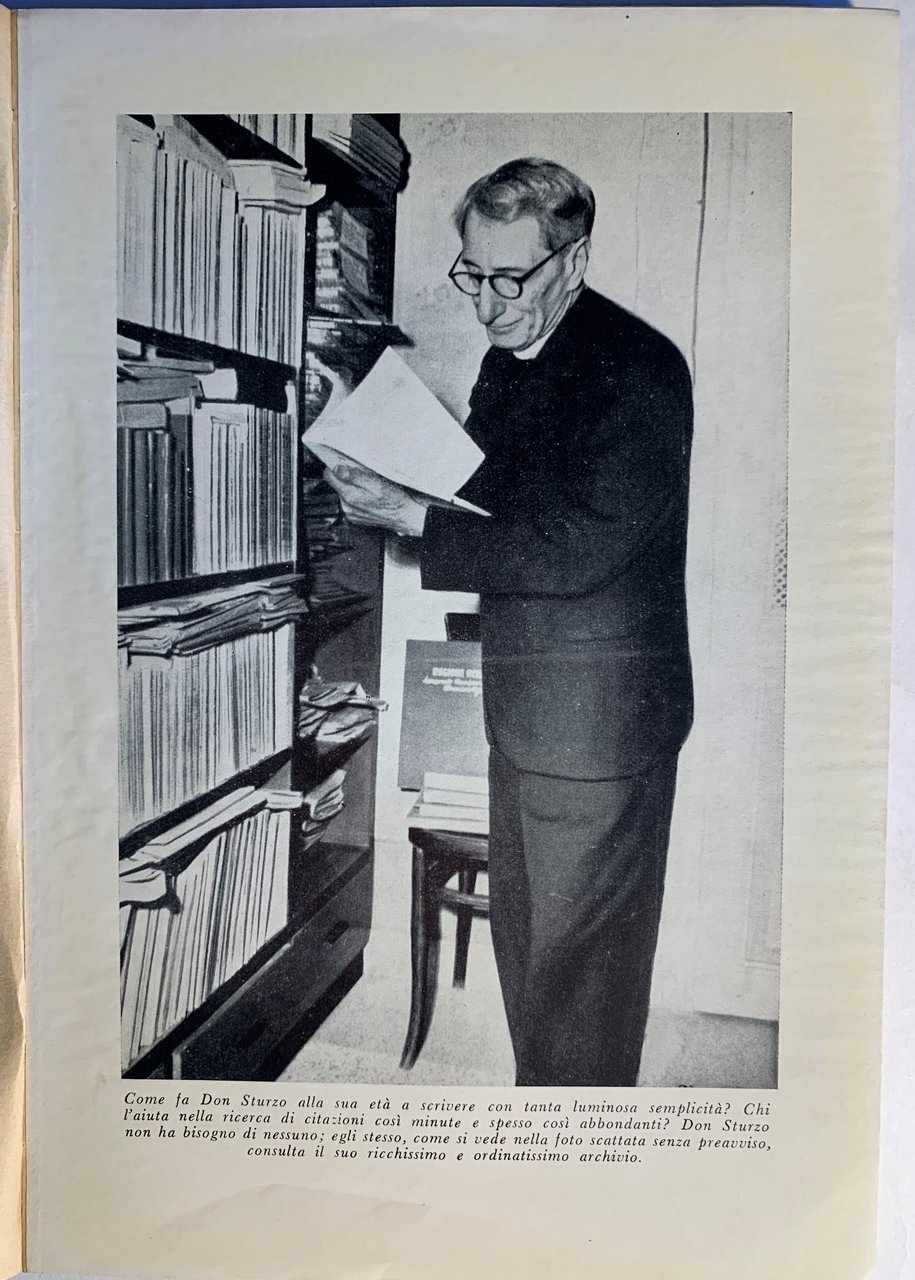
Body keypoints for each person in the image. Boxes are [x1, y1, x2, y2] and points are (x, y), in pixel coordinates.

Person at [325, 157, 694, 1087]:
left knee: (580, 981)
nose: (487, 305)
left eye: (510, 279)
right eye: (473, 275)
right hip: (528, 706)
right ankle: (548, 1121)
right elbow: (493, 498)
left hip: (598, 725)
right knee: (534, 962)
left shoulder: (639, 367)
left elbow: (580, 546)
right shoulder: (511, 360)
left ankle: (570, 1153)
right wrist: (388, 462)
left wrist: (415, 521)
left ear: (573, 259)